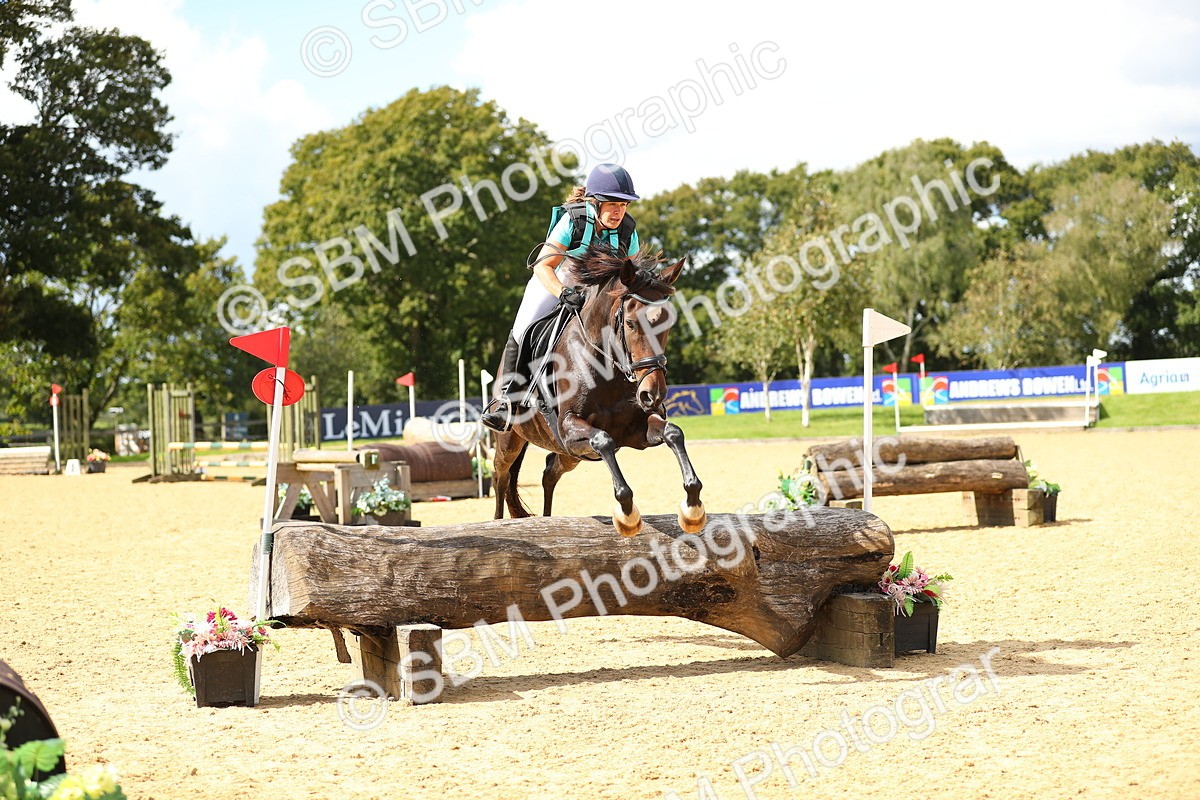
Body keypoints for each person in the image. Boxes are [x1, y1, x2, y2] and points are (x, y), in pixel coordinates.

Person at [480, 163, 641, 432]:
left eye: (624, 205)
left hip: (597, 290)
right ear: (595, 202)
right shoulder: (574, 220)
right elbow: (543, 265)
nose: (619, 211)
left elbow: (630, 276)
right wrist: (562, 293)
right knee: (523, 327)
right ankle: (505, 400)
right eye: (612, 203)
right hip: (556, 281)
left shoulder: (627, 230)